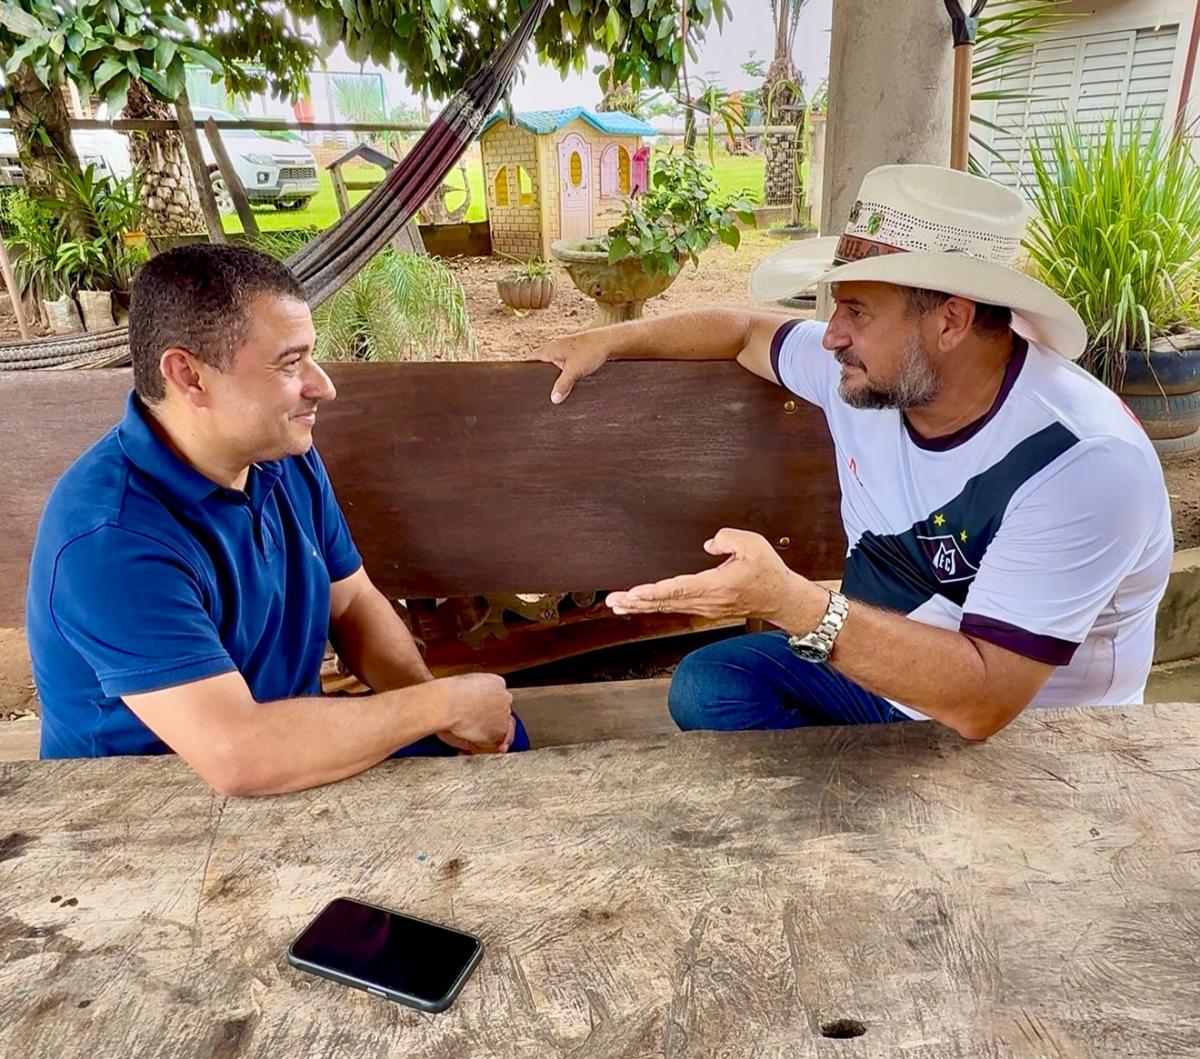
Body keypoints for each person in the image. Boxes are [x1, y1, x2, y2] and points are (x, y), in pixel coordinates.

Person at [535, 164, 1173, 740]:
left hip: (1030, 735)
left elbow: (985, 702)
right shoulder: (871, 375)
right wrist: (610, 340)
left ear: (951, 321)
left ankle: (871, 807)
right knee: (709, 686)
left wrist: (790, 602)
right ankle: (864, 798)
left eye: (858, 312)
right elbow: (745, 329)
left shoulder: (1082, 461)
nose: (832, 336)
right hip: (879, 675)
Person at [27, 243, 524, 795]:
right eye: (290, 363)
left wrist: (437, 711)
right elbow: (239, 756)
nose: (323, 386)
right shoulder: (109, 538)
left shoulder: (280, 455)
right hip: (147, 797)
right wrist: (438, 705)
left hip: (286, 740)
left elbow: (351, 603)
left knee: (499, 743)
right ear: (189, 376)